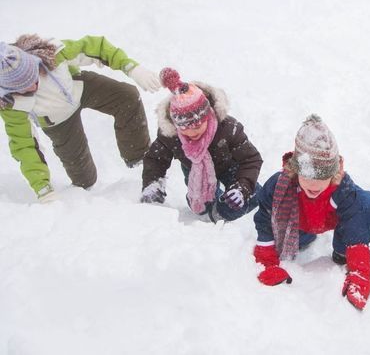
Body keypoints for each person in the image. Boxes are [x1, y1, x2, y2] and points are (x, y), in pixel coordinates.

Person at [0, 34, 160, 202]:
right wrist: (43, 188)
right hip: (57, 122)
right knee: (83, 179)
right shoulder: (11, 105)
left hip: (79, 88)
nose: (33, 85)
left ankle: (138, 158)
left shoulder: (51, 54)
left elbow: (95, 46)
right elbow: (24, 146)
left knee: (127, 96)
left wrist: (131, 68)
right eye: (25, 88)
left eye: (34, 77)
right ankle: (85, 186)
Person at [252, 114, 370, 310]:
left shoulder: (342, 189)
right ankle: (304, 238)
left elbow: (356, 229)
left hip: (330, 219)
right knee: (291, 245)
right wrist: (267, 263)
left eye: (322, 177)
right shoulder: (280, 186)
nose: (314, 184)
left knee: (366, 202)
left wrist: (359, 274)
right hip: (299, 225)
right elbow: (264, 221)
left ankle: (340, 251)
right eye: (307, 176)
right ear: (296, 171)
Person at [141, 68, 263, 223]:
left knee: (253, 195)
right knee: (201, 208)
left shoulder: (227, 128)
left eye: (197, 126)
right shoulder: (171, 134)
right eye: (185, 128)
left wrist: (241, 187)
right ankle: (203, 202)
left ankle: (220, 211)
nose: (192, 133)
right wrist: (153, 183)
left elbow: (251, 159)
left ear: (207, 115)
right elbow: (156, 159)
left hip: (227, 165)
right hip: (194, 167)